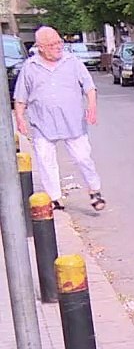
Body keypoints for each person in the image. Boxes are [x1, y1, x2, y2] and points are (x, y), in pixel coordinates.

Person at [14, 26, 104, 211]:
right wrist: (20, 119)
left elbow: (89, 87)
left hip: (73, 121)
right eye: (52, 44)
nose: (58, 46)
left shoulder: (72, 62)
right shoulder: (30, 68)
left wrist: (92, 107)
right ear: (40, 47)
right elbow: (21, 97)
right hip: (42, 123)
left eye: (59, 42)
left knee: (82, 158)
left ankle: (94, 189)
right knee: (46, 161)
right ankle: (55, 197)